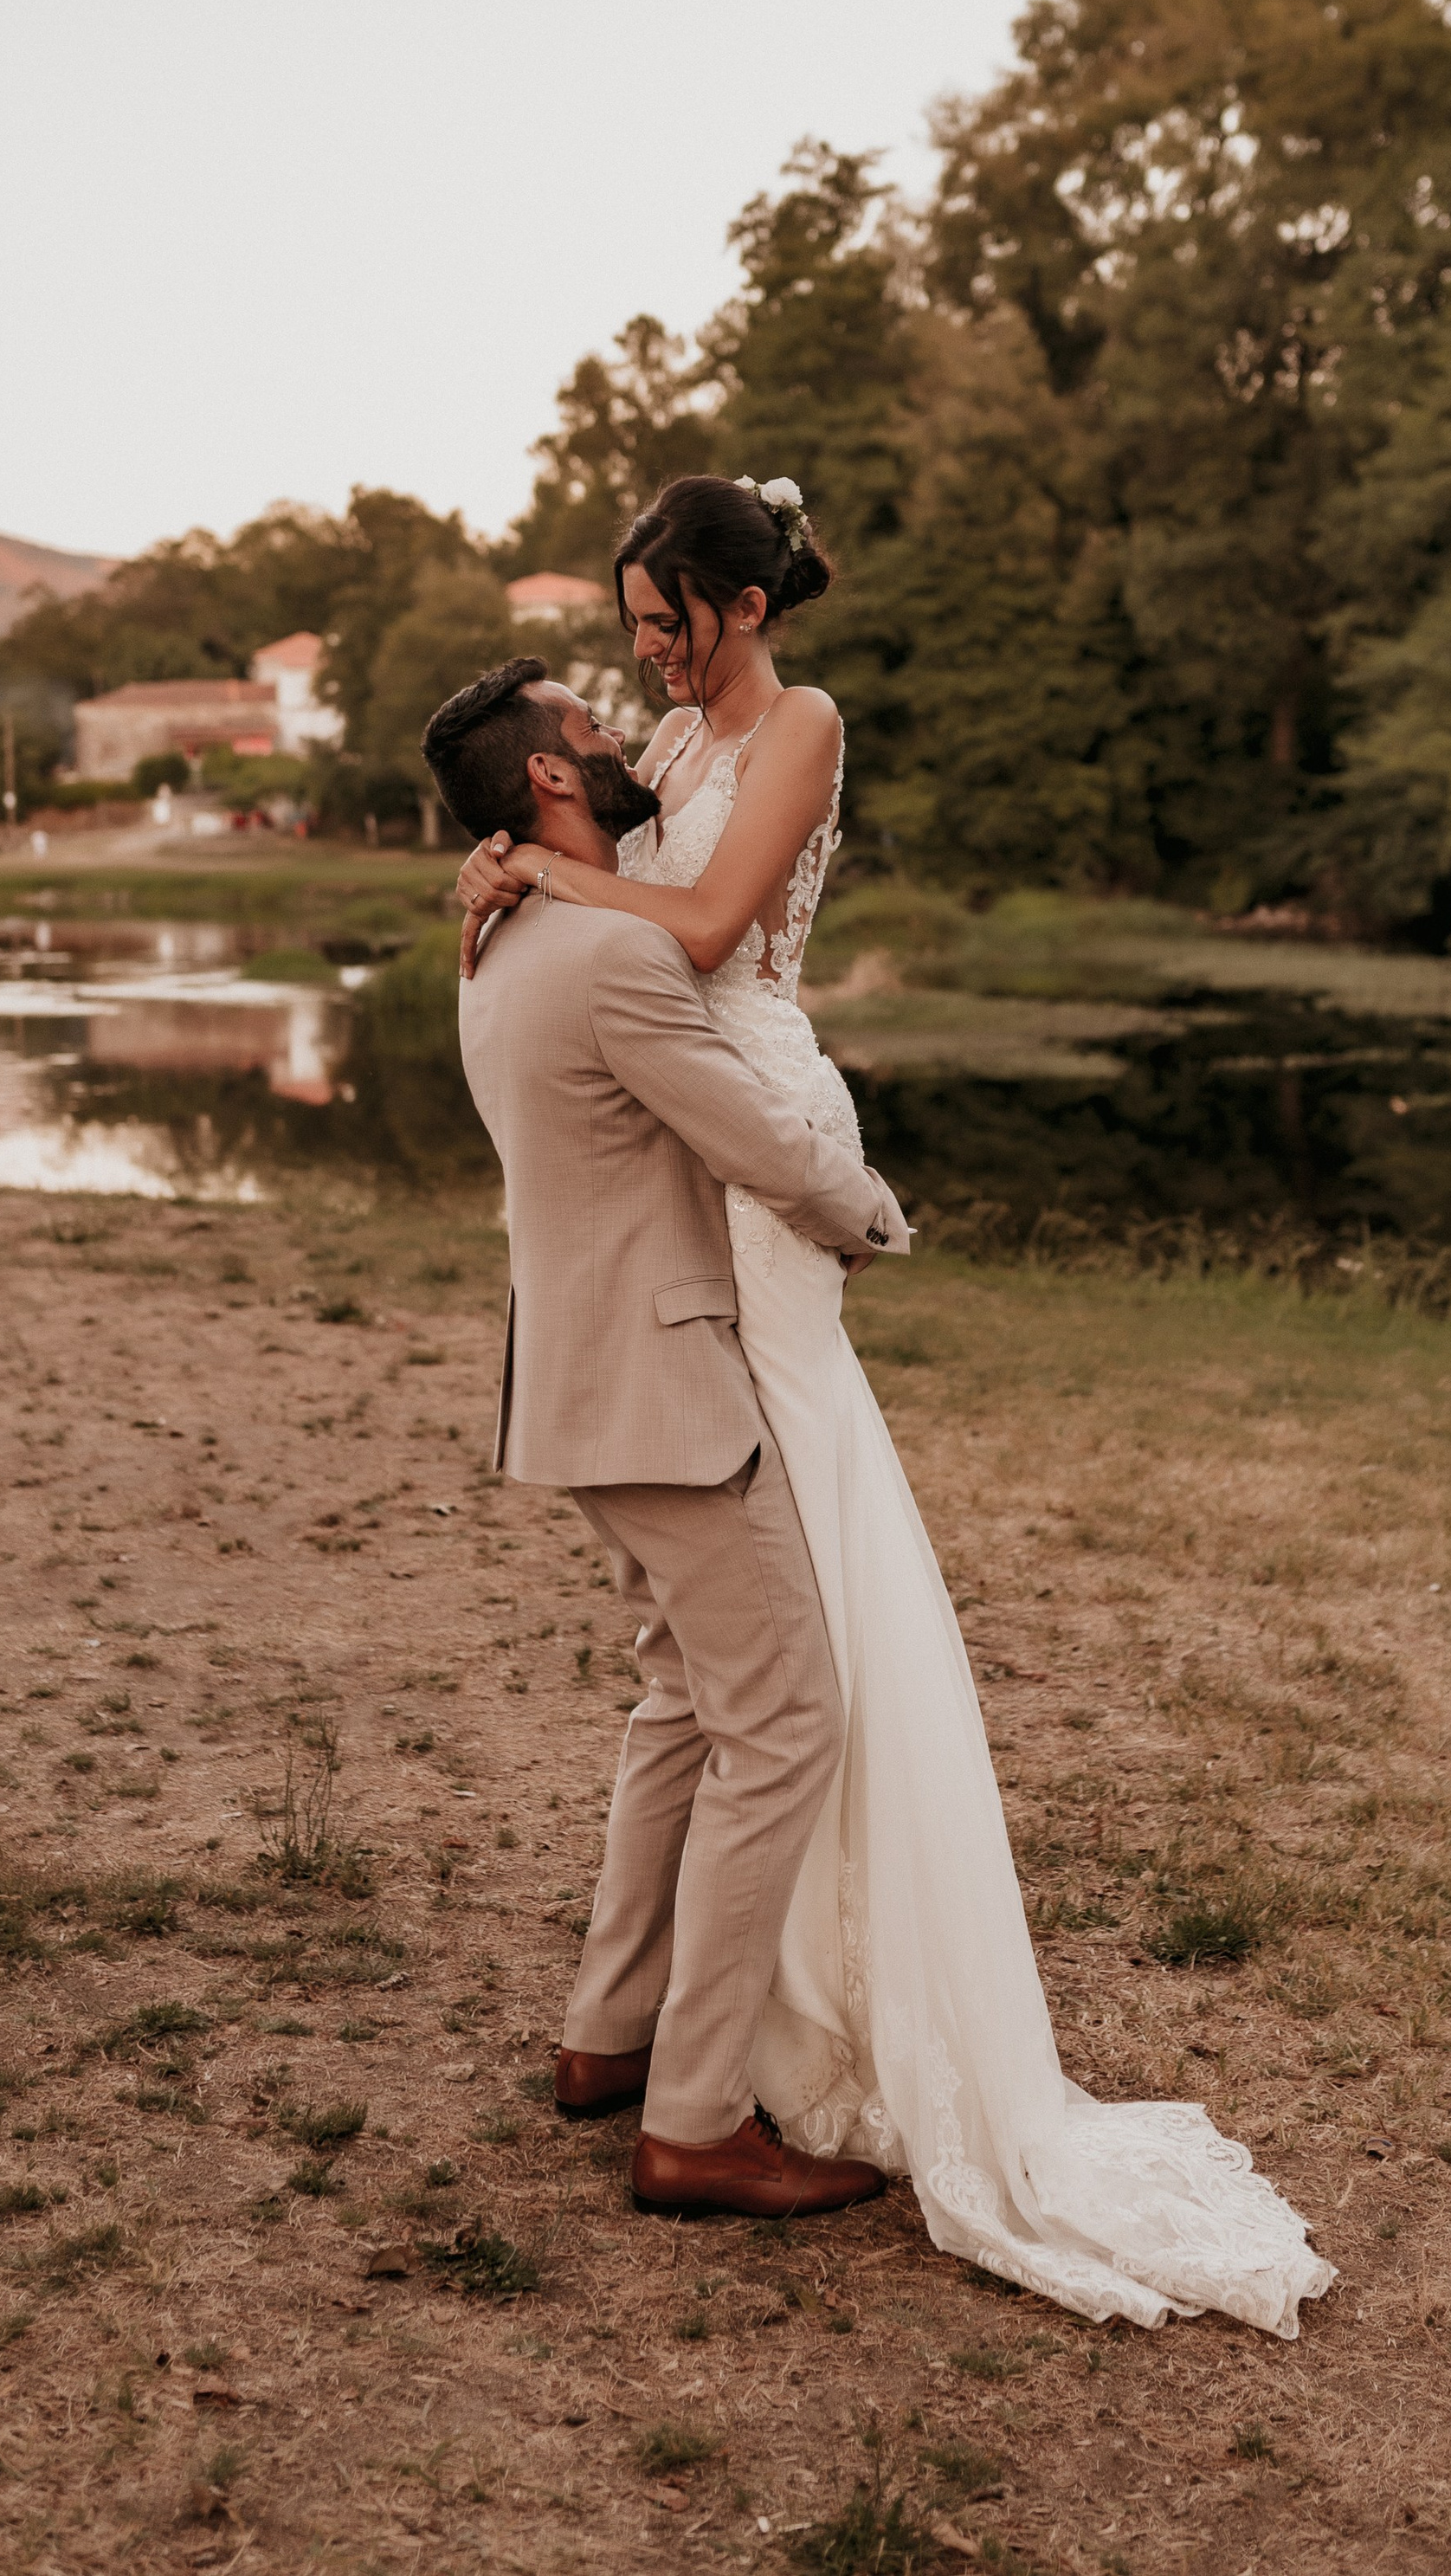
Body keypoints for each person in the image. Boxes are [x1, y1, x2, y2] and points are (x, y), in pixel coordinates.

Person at [445, 474, 1335, 2337]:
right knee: (754, 1675)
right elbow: (633, 908)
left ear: (743, 604)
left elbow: (706, 926)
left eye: (664, 622)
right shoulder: (656, 754)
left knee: (740, 1629)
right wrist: (515, 860)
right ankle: (681, 2073)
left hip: (739, 1118)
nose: (643, 659)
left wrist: (536, 867)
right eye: (628, 635)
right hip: (700, 1164)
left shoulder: (799, 725)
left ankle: (663, 2029)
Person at [423, 654, 911, 2222]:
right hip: (667, 1388)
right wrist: (866, 1211)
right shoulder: (611, 958)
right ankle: (696, 2122)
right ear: (551, 776)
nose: (615, 727)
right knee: (786, 1723)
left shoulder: (498, 942)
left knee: (686, 1701)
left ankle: (610, 2035)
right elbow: (749, 1137)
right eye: (586, 721)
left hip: (575, 1385)